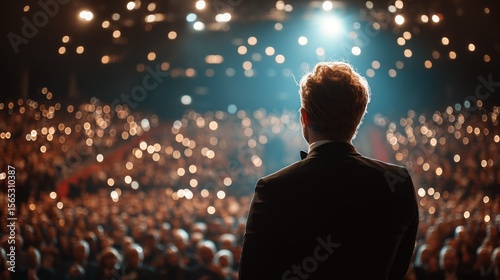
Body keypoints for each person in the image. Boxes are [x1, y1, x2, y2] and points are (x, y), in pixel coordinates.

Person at [238, 60, 419, 279]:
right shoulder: (398, 182)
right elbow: (398, 270)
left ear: (304, 117)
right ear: (359, 116)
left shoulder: (273, 189)